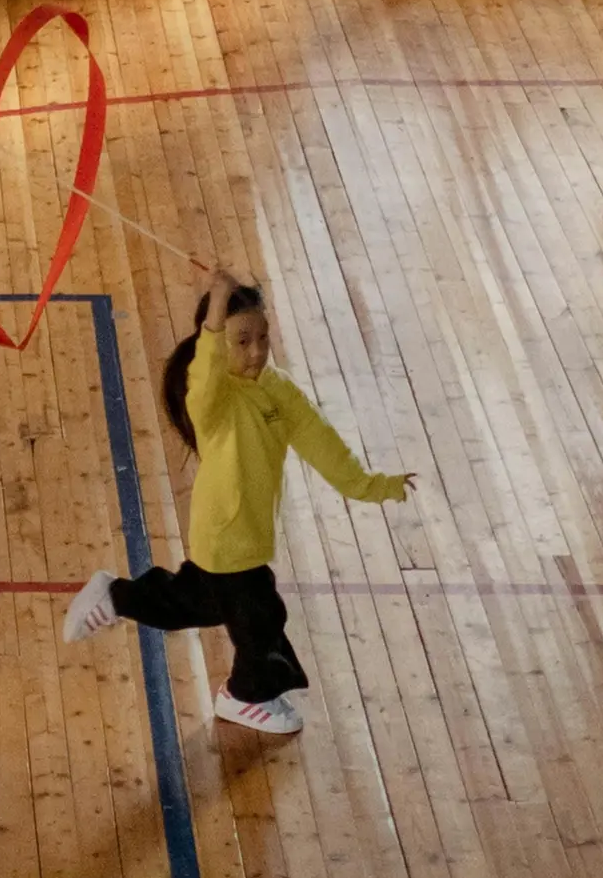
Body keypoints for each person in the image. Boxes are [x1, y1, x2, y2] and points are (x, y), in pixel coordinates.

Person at [62, 270, 417, 736]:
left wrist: (373, 485)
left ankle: (117, 596)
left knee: (199, 604)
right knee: (259, 617)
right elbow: (206, 370)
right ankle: (246, 696)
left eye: (263, 338)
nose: (256, 351)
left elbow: (324, 445)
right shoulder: (213, 400)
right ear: (217, 342)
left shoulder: (279, 391)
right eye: (242, 341)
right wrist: (216, 303)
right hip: (226, 533)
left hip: (250, 535)